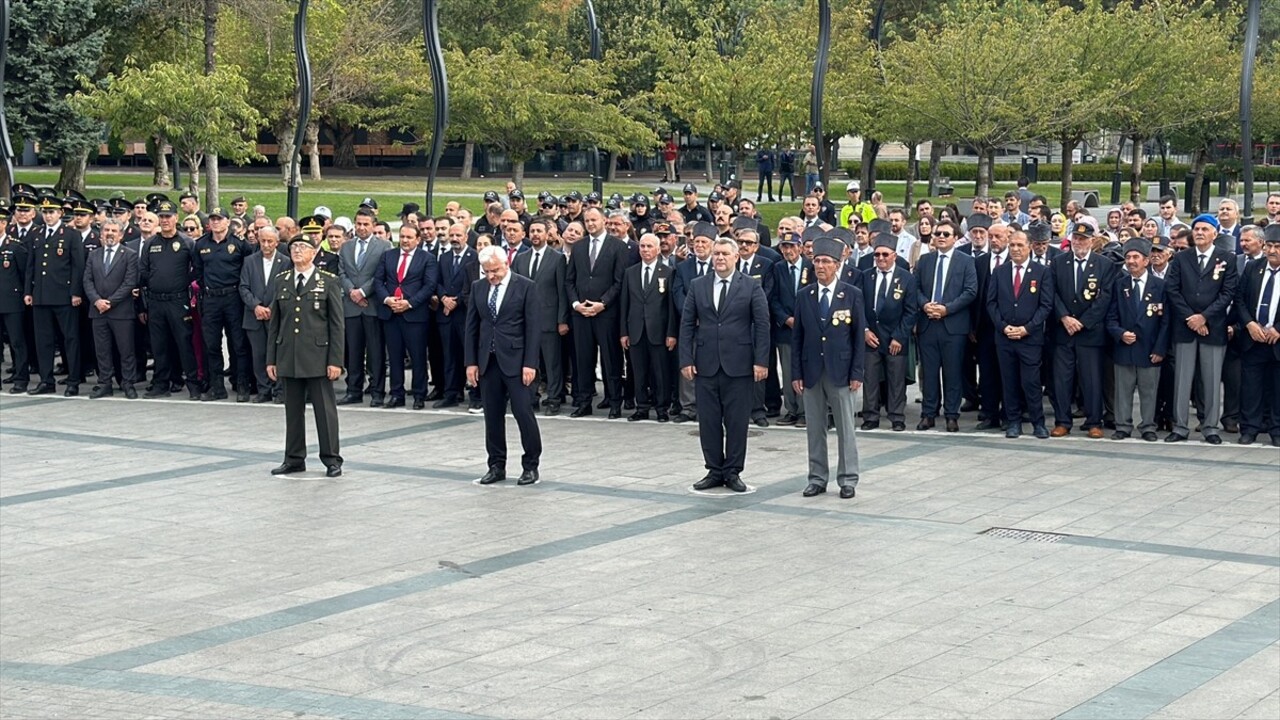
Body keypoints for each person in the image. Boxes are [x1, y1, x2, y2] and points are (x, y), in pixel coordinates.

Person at [679, 237, 770, 493]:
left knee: (737, 422)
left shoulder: (751, 286)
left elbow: (762, 325)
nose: (719, 258)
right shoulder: (698, 286)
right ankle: (714, 470)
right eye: (716, 253)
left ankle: (732, 471)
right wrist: (686, 358)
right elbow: (686, 324)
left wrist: (761, 361)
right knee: (708, 421)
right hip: (706, 364)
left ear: (735, 257)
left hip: (739, 366)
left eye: (724, 254)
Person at [792, 236, 866, 498]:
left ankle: (848, 479)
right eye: (816, 261)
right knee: (814, 427)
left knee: (846, 427)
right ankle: (817, 477)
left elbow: (858, 337)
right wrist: (796, 374)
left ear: (837, 264)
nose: (820, 266)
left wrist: (857, 372)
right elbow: (797, 337)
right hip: (812, 370)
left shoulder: (852, 294)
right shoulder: (805, 295)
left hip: (841, 371)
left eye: (825, 261)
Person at [266, 235, 345, 477]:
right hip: (289, 354)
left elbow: (337, 325)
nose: (297, 250)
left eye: (303, 247)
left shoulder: (328, 281)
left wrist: (335, 361)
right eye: (293, 247)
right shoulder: (282, 280)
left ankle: (331, 459)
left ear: (314, 252)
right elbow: (275, 323)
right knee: (293, 411)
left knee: (325, 411)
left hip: (318, 356)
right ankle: (294, 458)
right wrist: (272, 358)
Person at [466, 246, 543, 486]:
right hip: (488, 362)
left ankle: (531, 465)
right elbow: (471, 327)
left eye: (495, 271)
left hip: (517, 361)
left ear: (506, 264)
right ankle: (496, 465)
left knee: (523, 413)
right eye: (487, 271)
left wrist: (530, 363)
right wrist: (471, 362)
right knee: (492, 416)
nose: (491, 276)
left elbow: (533, 328)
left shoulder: (525, 286)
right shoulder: (478, 288)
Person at [1164, 214, 1238, 444]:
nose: (1199, 232)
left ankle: (1210, 427)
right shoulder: (1181, 258)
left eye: (1205, 229)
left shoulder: (1226, 258)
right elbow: (1172, 290)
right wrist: (1191, 318)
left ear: (1215, 233)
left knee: (1212, 379)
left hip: (1213, 328)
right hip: (1185, 327)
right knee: (1183, 379)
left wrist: (1204, 317)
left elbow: (1228, 293)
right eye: (1196, 229)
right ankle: (1180, 426)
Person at [1049, 223, 1117, 438]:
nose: (1079, 242)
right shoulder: (1058, 262)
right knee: (1062, 379)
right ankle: (1062, 421)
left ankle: (1094, 421)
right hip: (1063, 331)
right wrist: (1064, 317)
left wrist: (1084, 322)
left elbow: (1105, 297)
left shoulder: (1104, 264)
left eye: (1084, 238)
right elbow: (1052, 293)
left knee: (1091, 379)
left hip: (1090, 332)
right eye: (1076, 238)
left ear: (1092, 240)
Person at [986, 227, 1054, 438]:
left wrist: (1027, 328)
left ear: (1030, 247)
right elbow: (991, 303)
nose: (1015, 249)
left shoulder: (1042, 272)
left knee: (1031, 382)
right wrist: (1004, 327)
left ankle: (1038, 422)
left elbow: (1045, 305)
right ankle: (1013, 421)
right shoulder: (1000, 272)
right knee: (1009, 381)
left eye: (1020, 245)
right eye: (1012, 245)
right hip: (1005, 338)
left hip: (1030, 339)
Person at [913, 220, 978, 431]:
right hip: (928, 324)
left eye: (946, 234)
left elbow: (970, 291)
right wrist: (925, 305)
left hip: (953, 325)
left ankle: (952, 414)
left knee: (952, 373)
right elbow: (914, 288)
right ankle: (928, 413)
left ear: (956, 237)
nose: (941, 237)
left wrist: (946, 309)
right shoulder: (924, 261)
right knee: (929, 373)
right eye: (937, 233)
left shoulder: (966, 261)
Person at [566, 207, 628, 418]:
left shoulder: (618, 247)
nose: (590, 224)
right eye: (587, 221)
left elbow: (620, 282)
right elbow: (570, 280)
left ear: (604, 220)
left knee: (611, 360)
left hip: (606, 314)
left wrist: (603, 303)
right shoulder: (579, 246)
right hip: (581, 313)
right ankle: (583, 403)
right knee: (583, 360)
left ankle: (615, 403)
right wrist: (576, 304)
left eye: (594, 220)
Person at [1105, 238, 1169, 442]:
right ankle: (1123, 425)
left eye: (1135, 257)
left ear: (1146, 260)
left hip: (1150, 348)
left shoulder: (1160, 286)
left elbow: (1166, 322)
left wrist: (1160, 349)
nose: (1131, 261)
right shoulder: (1119, 285)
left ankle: (1148, 425)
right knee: (1122, 390)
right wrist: (1119, 333)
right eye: (1128, 257)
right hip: (1125, 347)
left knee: (1149, 390)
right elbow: (1111, 316)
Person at [24, 194, 85, 396]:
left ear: (60, 213)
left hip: (63, 296)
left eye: (52, 212)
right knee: (43, 340)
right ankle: (46, 379)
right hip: (41, 295)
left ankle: (73, 380)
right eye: (46, 212)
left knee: (70, 338)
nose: (48, 216)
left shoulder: (70, 235)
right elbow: (31, 266)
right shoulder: (37, 234)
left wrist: (76, 292)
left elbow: (78, 266)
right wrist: (28, 291)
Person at [374, 223, 438, 410]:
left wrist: (409, 303)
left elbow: (429, 285)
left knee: (418, 357)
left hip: (414, 315)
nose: (405, 240)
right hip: (391, 314)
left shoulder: (427, 258)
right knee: (394, 357)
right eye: (402, 236)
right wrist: (387, 299)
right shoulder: (388, 255)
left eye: (409, 237)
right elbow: (378, 280)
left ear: (418, 239)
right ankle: (396, 394)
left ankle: (419, 394)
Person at [192, 207, 252, 402]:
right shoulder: (201, 244)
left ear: (228, 222)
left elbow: (246, 270)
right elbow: (198, 272)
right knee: (211, 344)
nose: (216, 223)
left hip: (233, 297)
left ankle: (242, 384)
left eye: (219, 219)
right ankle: (216, 387)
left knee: (238, 344)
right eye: (213, 219)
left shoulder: (239, 244)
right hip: (211, 299)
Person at [860, 235, 918, 432]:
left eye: (885, 254)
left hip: (895, 337)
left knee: (896, 379)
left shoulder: (906, 278)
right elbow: (858, 307)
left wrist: (900, 337)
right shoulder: (866, 276)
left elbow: (911, 311)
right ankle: (870, 415)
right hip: (872, 337)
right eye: (877, 254)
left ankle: (896, 416)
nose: (881, 258)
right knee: (870, 378)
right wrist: (865, 331)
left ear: (894, 255)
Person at [511, 217, 567, 414]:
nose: (535, 234)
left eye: (539, 231)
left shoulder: (557, 258)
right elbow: (514, 290)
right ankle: (531, 397)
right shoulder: (520, 258)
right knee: (529, 361)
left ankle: (553, 398)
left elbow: (562, 291)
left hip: (549, 319)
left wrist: (562, 320)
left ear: (547, 234)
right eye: (532, 231)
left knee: (552, 363)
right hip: (524, 321)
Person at [337, 208, 392, 407]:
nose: (361, 227)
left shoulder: (384, 246)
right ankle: (353, 390)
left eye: (365, 224)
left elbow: (381, 274)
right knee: (353, 351)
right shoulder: (346, 247)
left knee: (376, 351)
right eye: (358, 224)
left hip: (372, 306)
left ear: (373, 225)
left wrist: (362, 292)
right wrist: (352, 291)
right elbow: (341, 273)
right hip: (351, 306)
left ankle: (377, 391)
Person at [620, 233, 677, 422]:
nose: (645, 250)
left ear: (658, 249)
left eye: (649, 246)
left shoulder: (667, 272)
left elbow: (670, 307)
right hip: (636, 331)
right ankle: (641, 407)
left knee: (660, 372)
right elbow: (625, 305)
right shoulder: (630, 272)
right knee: (638, 371)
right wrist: (624, 332)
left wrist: (671, 333)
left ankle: (662, 408)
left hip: (658, 332)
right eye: (642, 246)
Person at [82, 218, 140, 399]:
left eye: (114, 231)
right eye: (106, 230)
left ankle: (128, 383)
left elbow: (130, 282)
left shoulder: (129, 254)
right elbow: (87, 280)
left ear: (121, 235)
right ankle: (104, 383)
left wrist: (110, 302)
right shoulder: (94, 255)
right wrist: (97, 301)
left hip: (121, 311)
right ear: (101, 233)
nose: (110, 234)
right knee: (102, 349)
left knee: (126, 350)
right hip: (98, 311)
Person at [1234, 224, 1280, 447]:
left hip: (1277, 340)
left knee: (1278, 388)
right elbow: (1240, 299)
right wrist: (1250, 324)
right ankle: (1249, 429)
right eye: (1269, 245)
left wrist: (1278, 329)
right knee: (1251, 387)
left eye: (1278, 246)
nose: (1272, 251)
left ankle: (1277, 429)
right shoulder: (1254, 268)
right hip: (1253, 338)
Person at [239, 226, 292, 403]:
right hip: (254, 316)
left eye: (270, 241)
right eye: (263, 241)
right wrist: (256, 306)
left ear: (277, 242)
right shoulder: (249, 261)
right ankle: (264, 390)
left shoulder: (285, 262)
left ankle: (279, 390)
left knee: (277, 353)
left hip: (276, 316)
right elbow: (243, 287)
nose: (266, 244)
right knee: (259, 354)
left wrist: (271, 308)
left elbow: (286, 287)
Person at [434, 222, 481, 408]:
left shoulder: (474, 257)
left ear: (466, 237)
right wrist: (444, 297)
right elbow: (436, 281)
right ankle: (452, 393)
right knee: (449, 355)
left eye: (458, 235)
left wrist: (456, 301)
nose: (454, 239)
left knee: (470, 355)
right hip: (446, 316)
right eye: (451, 235)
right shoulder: (443, 258)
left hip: (465, 315)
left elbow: (474, 285)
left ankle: (477, 395)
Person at [770, 231, 814, 427]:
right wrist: (786, 318)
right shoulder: (777, 268)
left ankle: (806, 410)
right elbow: (773, 298)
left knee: (805, 370)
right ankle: (791, 409)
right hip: (786, 329)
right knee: (788, 371)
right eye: (784, 246)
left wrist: (805, 320)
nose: (788, 250)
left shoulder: (811, 267)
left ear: (800, 247)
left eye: (792, 246)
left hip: (808, 329)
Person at [0, 202, 31, 393]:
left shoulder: (15, 247)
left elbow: (24, 274)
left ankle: (21, 378)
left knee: (17, 341)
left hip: (11, 302)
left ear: (4, 224)